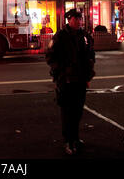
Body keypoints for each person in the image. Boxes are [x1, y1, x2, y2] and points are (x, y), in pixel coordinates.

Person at [46, 9, 95, 155]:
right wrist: (60, 71)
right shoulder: (60, 36)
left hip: (80, 79)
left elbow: (91, 54)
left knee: (78, 111)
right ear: (69, 20)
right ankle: (68, 140)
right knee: (67, 112)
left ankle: (76, 138)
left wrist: (88, 75)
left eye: (80, 19)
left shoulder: (85, 36)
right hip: (65, 80)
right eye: (76, 19)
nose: (79, 21)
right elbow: (49, 56)